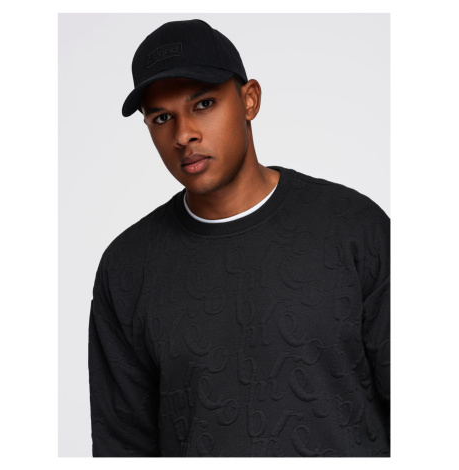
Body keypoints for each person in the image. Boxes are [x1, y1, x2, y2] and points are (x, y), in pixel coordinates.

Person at [88, 18, 390, 457]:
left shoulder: (355, 228)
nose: (183, 135)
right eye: (162, 117)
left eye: (204, 103)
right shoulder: (126, 267)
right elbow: (122, 445)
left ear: (249, 100)